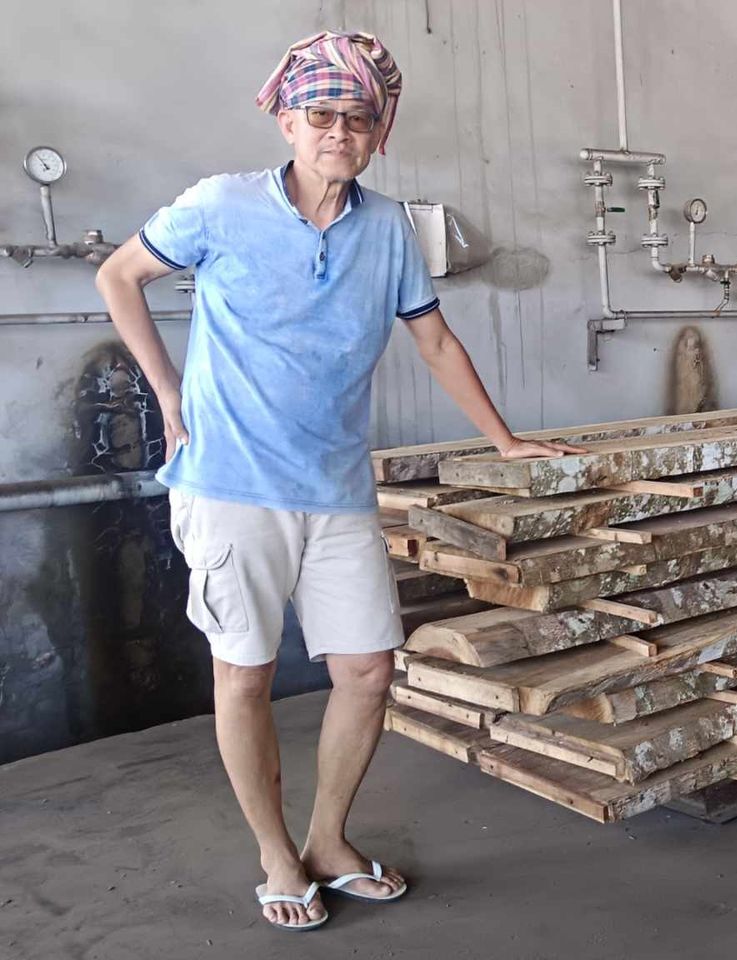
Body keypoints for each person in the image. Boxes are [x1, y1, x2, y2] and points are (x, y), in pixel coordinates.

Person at [95, 30, 582, 932]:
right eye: (320, 115)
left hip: (335, 486)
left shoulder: (388, 228)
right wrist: (165, 390)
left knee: (366, 670)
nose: (338, 132)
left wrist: (505, 439)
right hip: (231, 484)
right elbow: (120, 274)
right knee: (243, 676)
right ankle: (276, 855)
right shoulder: (219, 205)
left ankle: (326, 841)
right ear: (287, 121)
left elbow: (434, 339)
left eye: (357, 118)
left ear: (378, 134)